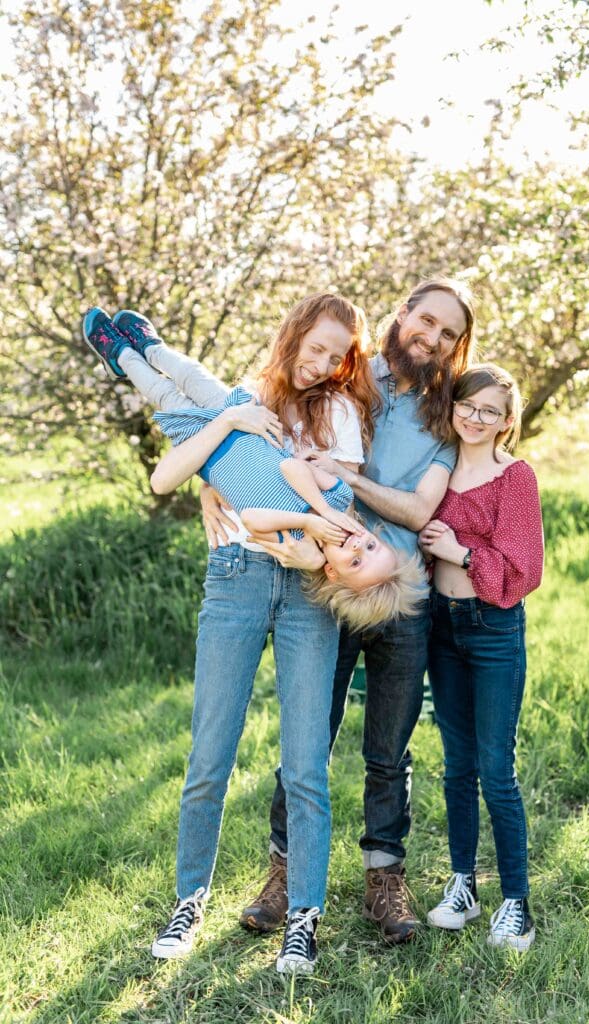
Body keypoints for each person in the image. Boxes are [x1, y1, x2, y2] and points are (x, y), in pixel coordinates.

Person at [81, 293, 381, 974]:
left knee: (305, 765)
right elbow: (182, 472)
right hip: (235, 575)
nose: (324, 363)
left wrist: (288, 523)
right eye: (316, 348)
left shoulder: (337, 412)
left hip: (308, 589)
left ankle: (303, 916)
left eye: (337, 356)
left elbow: (331, 497)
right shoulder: (248, 391)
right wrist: (214, 475)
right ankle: (189, 902)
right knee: (208, 756)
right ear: (293, 335)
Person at [205, 276, 477, 944]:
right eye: (427, 321)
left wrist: (344, 477)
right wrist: (212, 484)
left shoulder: (447, 411)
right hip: (320, 586)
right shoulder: (343, 368)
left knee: (388, 747)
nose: (433, 339)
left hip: (400, 592)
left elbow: (416, 510)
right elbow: (259, 425)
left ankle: (384, 878)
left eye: (448, 334)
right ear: (403, 313)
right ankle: (284, 872)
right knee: (309, 737)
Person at [83, 307, 424, 629]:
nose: (356, 546)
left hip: (211, 450)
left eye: (354, 562)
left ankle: (123, 357)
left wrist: (308, 521)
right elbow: (293, 467)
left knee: (162, 393)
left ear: (333, 572)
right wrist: (321, 509)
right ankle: (151, 347)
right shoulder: (338, 499)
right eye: (370, 547)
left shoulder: (297, 537)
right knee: (191, 376)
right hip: (243, 417)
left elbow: (252, 519)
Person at [419, 363, 544, 952]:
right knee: (455, 765)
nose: (475, 417)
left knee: (496, 768)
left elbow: (524, 567)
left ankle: (516, 902)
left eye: (489, 411)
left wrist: (460, 550)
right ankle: (464, 884)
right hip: (441, 628)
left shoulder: (514, 476)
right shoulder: (436, 468)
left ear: (506, 421)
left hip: (492, 628)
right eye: (468, 405)